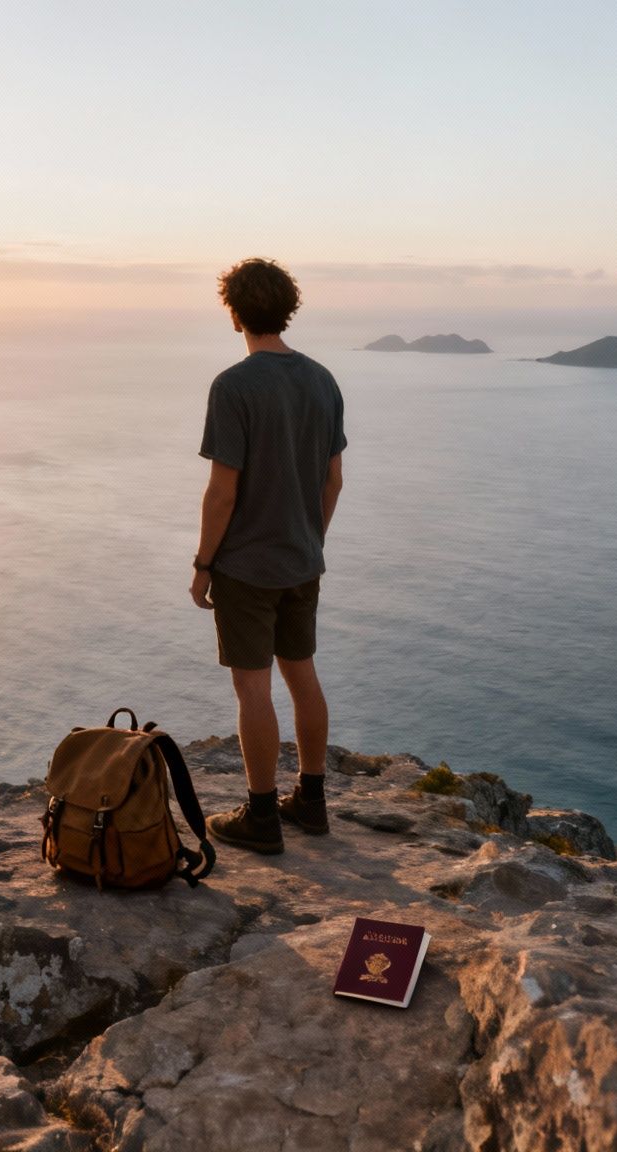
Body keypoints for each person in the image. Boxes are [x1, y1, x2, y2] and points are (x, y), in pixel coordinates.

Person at [190, 258, 346, 855]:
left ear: (234, 313)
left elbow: (222, 490)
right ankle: (311, 800)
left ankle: (261, 817)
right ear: (288, 308)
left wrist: (204, 563)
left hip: (247, 568)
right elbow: (334, 480)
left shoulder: (233, 387)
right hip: (303, 560)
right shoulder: (322, 380)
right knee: (302, 674)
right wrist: (313, 537)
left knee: (253, 691)